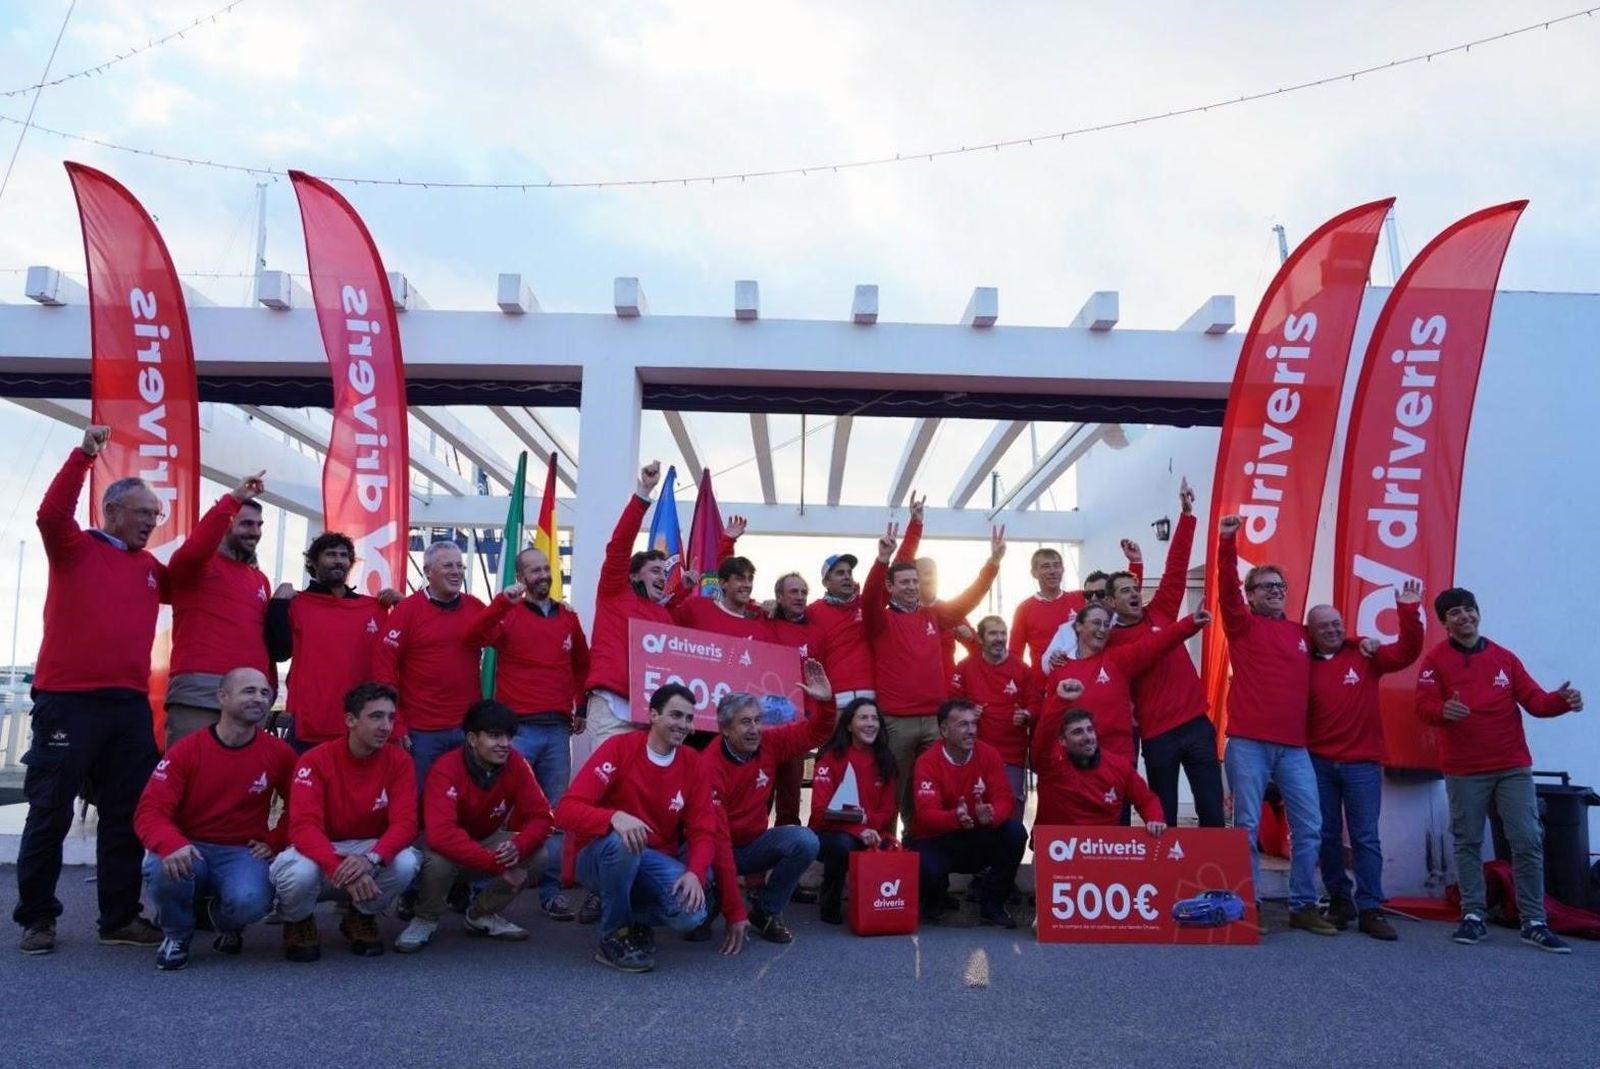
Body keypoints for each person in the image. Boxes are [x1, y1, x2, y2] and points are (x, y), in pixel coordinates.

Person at [15, 425, 168, 956]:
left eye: (156, 515)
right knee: (50, 810)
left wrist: (228, 511)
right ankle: (37, 918)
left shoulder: (149, 568)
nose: (151, 522)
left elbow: (197, 575)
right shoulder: (74, 547)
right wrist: (83, 455)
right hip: (68, 700)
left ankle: (119, 917)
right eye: (144, 513)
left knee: (126, 812)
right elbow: (50, 515)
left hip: (127, 705)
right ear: (113, 511)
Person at [1415, 588, 1584, 953]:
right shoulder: (1435, 660)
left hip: (1512, 766)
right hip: (1464, 768)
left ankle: (1534, 921)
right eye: (1455, 613)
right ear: (1444, 623)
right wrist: (1443, 711)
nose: (1465, 617)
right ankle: (1473, 914)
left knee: (1527, 838)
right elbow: (1423, 706)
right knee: (1468, 841)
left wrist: (1561, 702)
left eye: (1469, 610)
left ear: (1478, 613)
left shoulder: (1505, 658)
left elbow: (1536, 701)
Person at [558, 683, 743, 972]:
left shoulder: (692, 763)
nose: (683, 724)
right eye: (676, 715)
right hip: (600, 858)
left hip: (652, 859)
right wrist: (613, 818)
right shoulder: (620, 748)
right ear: (653, 715)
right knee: (625, 841)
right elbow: (565, 811)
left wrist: (694, 873)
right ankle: (614, 935)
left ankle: (634, 920)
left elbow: (703, 830)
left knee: (692, 914)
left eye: (689, 718)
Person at [1215, 513, 1334, 936]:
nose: (1276, 591)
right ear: (1250, 596)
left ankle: (1303, 905)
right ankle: (1249, 906)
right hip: (1248, 742)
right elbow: (1226, 588)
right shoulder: (1242, 625)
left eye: (1280, 586)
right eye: (1266, 586)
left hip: (1294, 747)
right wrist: (1226, 542)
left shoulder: (1302, 634)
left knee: (1310, 827)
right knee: (1245, 827)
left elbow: (1339, 644)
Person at [134, 667, 295, 970]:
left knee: (251, 901)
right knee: (159, 866)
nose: (259, 698)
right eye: (249, 691)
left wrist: (275, 840)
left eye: (265, 693)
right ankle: (177, 934)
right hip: (189, 847)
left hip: (242, 850)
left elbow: (302, 806)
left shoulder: (279, 753)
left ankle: (217, 919)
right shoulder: (187, 750)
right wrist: (170, 843)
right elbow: (150, 809)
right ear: (223, 697)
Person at [465, 547, 589, 922]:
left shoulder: (568, 617)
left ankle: (551, 892)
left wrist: (581, 708)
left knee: (554, 813)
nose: (543, 575)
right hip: (515, 731)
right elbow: (474, 636)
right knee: (495, 812)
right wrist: (501, 602)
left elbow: (583, 666)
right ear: (521, 577)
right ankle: (482, 887)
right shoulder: (510, 613)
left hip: (557, 731)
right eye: (534, 570)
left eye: (546, 568)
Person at [864, 520, 1003, 834]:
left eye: (915, 581)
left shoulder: (934, 615)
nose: (912, 586)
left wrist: (992, 564)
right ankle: (886, 847)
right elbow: (870, 597)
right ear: (891, 587)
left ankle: (921, 846)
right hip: (896, 721)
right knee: (891, 789)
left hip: (934, 721)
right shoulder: (880, 619)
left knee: (929, 790)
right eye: (904, 582)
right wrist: (882, 560)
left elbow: (968, 599)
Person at [1305, 581, 1425, 941]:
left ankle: (1371, 907)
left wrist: (1408, 610)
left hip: (1362, 765)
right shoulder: (1301, 662)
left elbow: (1407, 652)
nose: (1332, 630)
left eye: (1337, 623)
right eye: (1324, 626)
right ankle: (1340, 901)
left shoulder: (1365, 654)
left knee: (1365, 837)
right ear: (1311, 632)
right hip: (1318, 763)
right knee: (1325, 835)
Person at [270, 682, 421, 962]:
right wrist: (339, 866)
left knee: (406, 861)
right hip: (321, 851)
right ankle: (298, 920)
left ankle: (360, 915)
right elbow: (303, 827)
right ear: (350, 720)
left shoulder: (400, 761)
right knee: (298, 872)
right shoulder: (315, 760)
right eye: (376, 716)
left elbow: (406, 823)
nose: (386, 726)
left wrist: (371, 859)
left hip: (365, 852)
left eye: (391, 717)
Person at [1105, 478, 1225, 827]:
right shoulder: (1112, 642)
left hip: (1197, 725)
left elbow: (1175, 570)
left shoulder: (1160, 611)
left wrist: (1186, 515)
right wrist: (1188, 625)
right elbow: (1150, 649)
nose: (1134, 593)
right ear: (1111, 602)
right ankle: (1166, 866)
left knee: (1213, 813)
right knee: (1164, 819)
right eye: (1125, 591)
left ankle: (1213, 866)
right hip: (1158, 736)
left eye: (1135, 588)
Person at [395, 699, 555, 953]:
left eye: (508, 736)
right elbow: (440, 835)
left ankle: (481, 914)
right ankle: (425, 917)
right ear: (472, 738)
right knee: (438, 860)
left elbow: (543, 817)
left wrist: (518, 846)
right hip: (442, 847)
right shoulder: (446, 768)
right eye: (494, 735)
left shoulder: (516, 763)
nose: (504, 743)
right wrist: (495, 864)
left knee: (538, 853)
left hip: (484, 840)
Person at [705, 663, 837, 943]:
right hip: (713, 850)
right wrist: (734, 911)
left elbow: (815, 733)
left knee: (805, 841)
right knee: (695, 924)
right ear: (725, 729)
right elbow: (718, 841)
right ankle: (712, 899)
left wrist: (826, 704)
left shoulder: (770, 743)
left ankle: (765, 911)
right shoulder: (709, 766)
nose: (755, 729)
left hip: (752, 846)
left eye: (757, 720)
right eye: (745, 722)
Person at [163, 472, 273, 747]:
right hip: (199, 694)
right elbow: (195, 550)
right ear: (225, 525)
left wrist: (267, 689)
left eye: (259, 525)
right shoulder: (196, 566)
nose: (255, 531)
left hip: (252, 697)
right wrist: (233, 499)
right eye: (246, 524)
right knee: (189, 770)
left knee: (242, 773)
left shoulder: (260, 579)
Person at [1039, 603, 1208, 769]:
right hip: (1077, 764)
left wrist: (1190, 623)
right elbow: (1049, 722)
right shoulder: (1060, 670)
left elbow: (1154, 645)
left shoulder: (1117, 660)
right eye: (1096, 623)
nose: (1103, 629)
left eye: (1106, 624)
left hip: (1118, 761)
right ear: (1078, 626)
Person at [373, 540, 487, 783]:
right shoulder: (406, 611)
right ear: (428, 571)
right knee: (417, 797)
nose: (456, 572)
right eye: (448, 565)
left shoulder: (475, 607)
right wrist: (396, 723)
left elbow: (512, 638)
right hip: (421, 733)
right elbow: (383, 670)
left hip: (467, 729)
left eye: (460, 566)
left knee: (462, 797)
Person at [265, 532, 390, 752]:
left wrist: (403, 604)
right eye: (331, 554)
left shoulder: (373, 608)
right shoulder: (297, 604)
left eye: (344, 555)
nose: (338, 560)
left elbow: (403, 654)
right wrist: (278, 604)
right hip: (310, 721)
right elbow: (279, 652)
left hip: (359, 721)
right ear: (314, 562)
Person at [909, 700, 1027, 928]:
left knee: (1015, 833)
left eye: (974, 723)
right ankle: (935, 897)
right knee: (928, 870)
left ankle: (992, 903)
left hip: (978, 833)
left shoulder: (988, 754)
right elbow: (926, 815)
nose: (971, 730)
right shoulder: (927, 762)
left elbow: (1005, 799)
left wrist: (992, 815)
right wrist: (956, 817)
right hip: (939, 838)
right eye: (963, 724)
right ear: (944, 730)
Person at [583, 461, 677, 743]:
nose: (662, 577)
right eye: (655, 571)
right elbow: (619, 546)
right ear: (634, 575)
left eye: (665, 572)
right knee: (607, 774)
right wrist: (642, 495)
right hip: (613, 710)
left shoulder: (665, 616)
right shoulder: (614, 593)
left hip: (652, 717)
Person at [809, 698, 899, 925]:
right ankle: (829, 904)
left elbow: (888, 811)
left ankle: (881, 905)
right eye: (863, 717)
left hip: (870, 831)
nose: (870, 723)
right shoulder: (830, 758)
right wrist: (859, 829)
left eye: (874, 718)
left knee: (893, 847)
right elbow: (820, 811)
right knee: (843, 845)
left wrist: (868, 822)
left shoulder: (885, 760)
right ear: (849, 725)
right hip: (828, 834)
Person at [1032, 685, 1167, 834]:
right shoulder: (1051, 766)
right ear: (1062, 741)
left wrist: (1154, 819)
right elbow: (1042, 739)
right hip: (1056, 844)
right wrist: (1061, 701)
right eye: (1077, 732)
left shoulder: (1118, 766)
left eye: (1090, 730)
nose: (1087, 737)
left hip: (1102, 845)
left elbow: (1147, 799)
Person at [949, 615, 1040, 798]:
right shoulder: (965, 667)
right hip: (972, 755)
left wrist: (1026, 715)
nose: (999, 638)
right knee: (974, 808)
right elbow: (951, 705)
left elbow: (1036, 704)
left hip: (1011, 757)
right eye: (993, 633)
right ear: (980, 638)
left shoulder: (1022, 669)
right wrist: (967, 712)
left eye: (1003, 633)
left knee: (1011, 811)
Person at [767, 571, 827, 828]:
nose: (800, 597)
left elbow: (819, 678)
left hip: (797, 723)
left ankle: (788, 840)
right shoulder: (764, 621)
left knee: (791, 793)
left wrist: (812, 714)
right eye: (793, 592)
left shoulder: (817, 634)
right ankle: (753, 843)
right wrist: (762, 608)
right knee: (759, 790)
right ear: (779, 597)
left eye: (804, 592)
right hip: (764, 723)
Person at [1031, 543, 1144, 664]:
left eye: (1100, 593)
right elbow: (1046, 661)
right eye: (1088, 594)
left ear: (1112, 597)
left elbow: (1129, 590)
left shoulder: (1124, 620)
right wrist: (1053, 658)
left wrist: (1135, 562)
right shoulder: (1069, 629)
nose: (1094, 598)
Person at [673, 556, 773, 641]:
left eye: (750, 579)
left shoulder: (760, 622)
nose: (747, 585)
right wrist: (682, 589)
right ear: (723, 583)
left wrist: (776, 610)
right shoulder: (697, 607)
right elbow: (666, 620)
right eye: (740, 579)